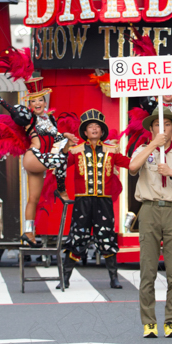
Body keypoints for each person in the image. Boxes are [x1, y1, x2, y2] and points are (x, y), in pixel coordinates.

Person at [0, 54, 78, 247]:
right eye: (34, 102)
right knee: (59, 161)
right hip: (33, 157)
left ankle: (28, 233)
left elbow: (56, 138)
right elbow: (10, 109)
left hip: (43, 161)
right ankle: (61, 190)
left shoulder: (51, 119)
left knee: (33, 198)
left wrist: (66, 137)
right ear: (30, 105)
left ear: (45, 100)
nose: (38, 104)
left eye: (41, 100)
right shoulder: (29, 118)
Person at [130, 108, 172, 339]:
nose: (163, 129)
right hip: (149, 209)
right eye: (159, 125)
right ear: (151, 128)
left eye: (168, 125)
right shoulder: (142, 150)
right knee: (147, 270)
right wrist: (152, 146)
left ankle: (171, 321)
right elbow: (131, 168)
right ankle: (149, 323)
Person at [59, 109, 130, 290]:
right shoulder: (75, 150)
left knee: (107, 237)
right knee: (76, 238)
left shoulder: (111, 150)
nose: (94, 129)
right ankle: (65, 278)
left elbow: (130, 164)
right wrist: (65, 147)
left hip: (104, 202)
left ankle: (114, 278)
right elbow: (60, 166)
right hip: (82, 202)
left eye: (97, 126)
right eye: (90, 126)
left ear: (102, 130)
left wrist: (148, 156)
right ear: (85, 131)